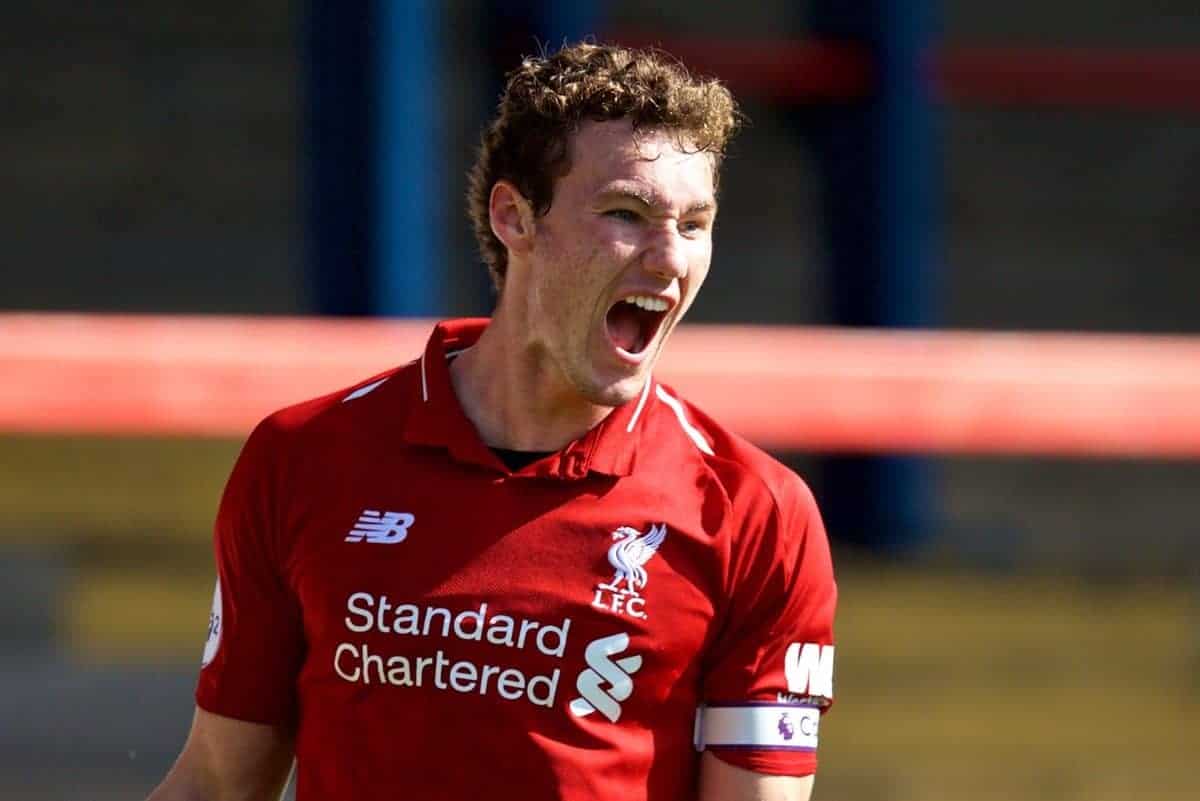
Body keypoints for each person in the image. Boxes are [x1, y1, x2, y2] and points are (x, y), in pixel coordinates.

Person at [148, 41, 837, 801]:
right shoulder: (303, 457)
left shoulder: (756, 512)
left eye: (696, 223)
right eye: (627, 213)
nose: (671, 258)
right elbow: (217, 781)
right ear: (514, 216)